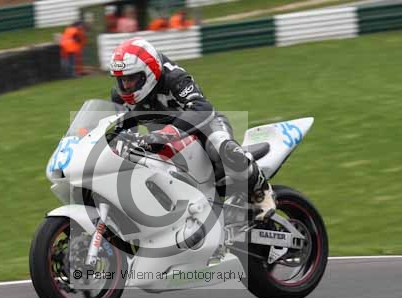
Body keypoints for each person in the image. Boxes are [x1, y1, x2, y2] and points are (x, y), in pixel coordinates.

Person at [107, 38, 276, 221]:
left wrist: (168, 133)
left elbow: (202, 108)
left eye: (131, 79)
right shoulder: (121, 96)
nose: (126, 85)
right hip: (166, 142)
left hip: (204, 128)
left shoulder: (175, 78)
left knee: (223, 146)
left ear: (149, 72)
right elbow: (122, 128)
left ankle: (261, 191)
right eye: (121, 80)